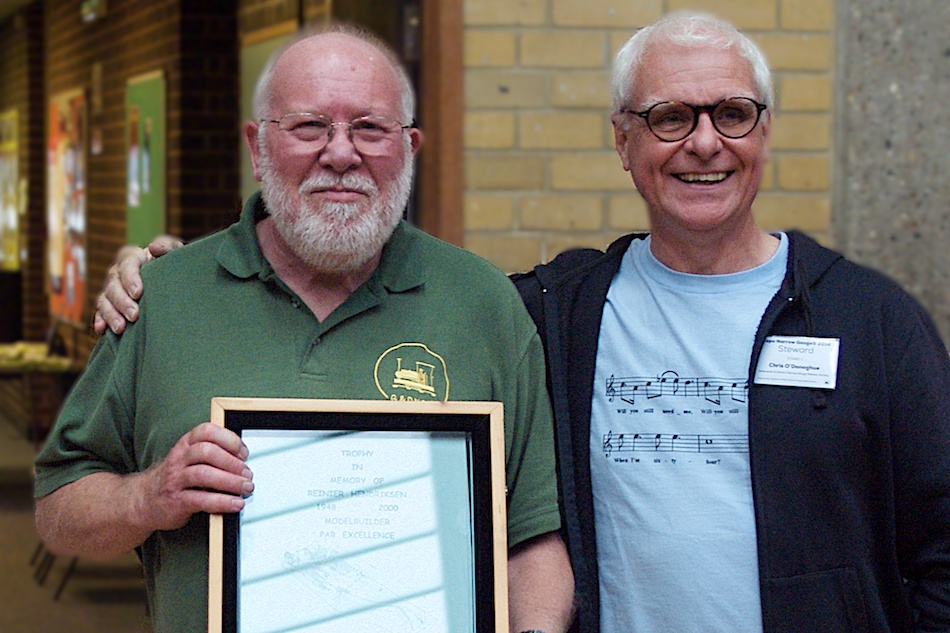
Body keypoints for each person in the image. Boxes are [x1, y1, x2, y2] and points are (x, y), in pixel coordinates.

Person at [92, 12, 950, 633]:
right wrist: (184, 272)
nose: (703, 142)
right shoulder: (557, 307)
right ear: (623, 141)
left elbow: (942, 550)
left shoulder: (872, 322)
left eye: (732, 113)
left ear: (763, 132)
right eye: (667, 117)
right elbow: (378, 287)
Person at [34, 25, 574, 633]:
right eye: (309, 126)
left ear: (411, 147)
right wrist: (148, 497)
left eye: (370, 128)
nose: (341, 154)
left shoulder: (483, 304)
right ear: (257, 147)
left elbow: (531, 538)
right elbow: (58, 506)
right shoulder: (160, 299)